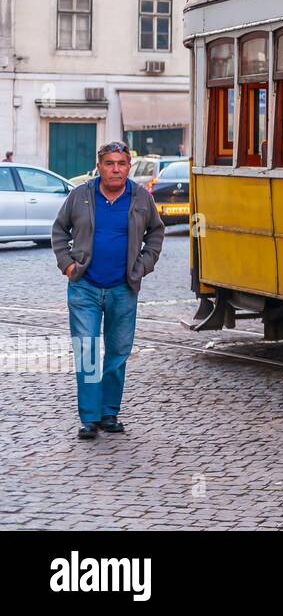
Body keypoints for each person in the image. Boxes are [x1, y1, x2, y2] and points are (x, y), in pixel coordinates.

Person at [50, 141, 165, 440]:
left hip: (123, 288)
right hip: (84, 286)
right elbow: (59, 230)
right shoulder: (81, 195)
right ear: (99, 166)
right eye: (110, 163)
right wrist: (68, 265)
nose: (116, 169)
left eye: (121, 164)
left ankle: (109, 414)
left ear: (129, 167)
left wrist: (141, 266)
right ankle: (89, 418)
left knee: (117, 354)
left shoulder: (140, 197)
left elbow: (157, 232)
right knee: (87, 351)